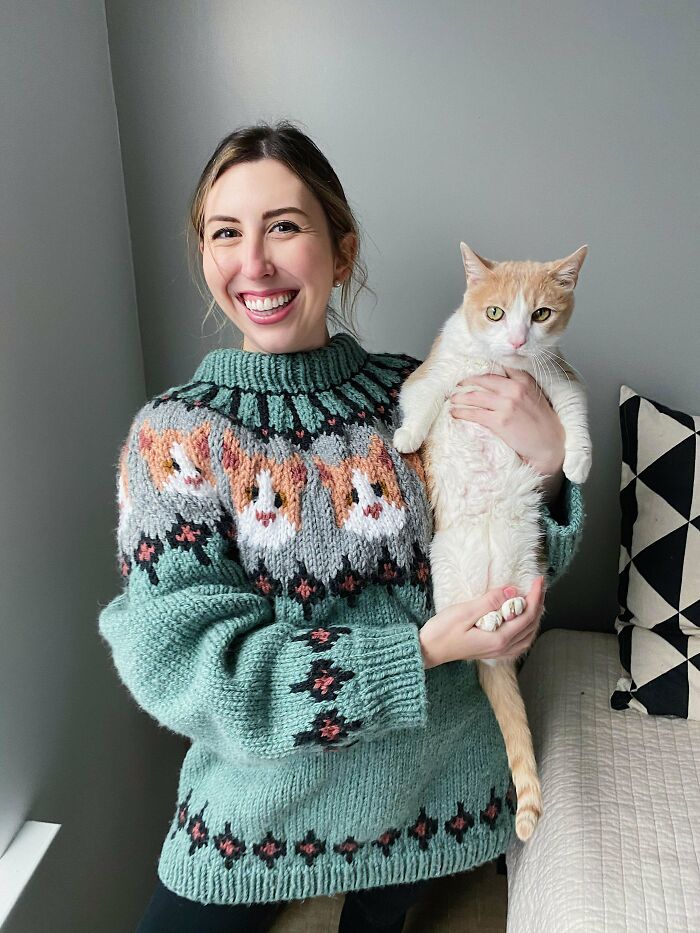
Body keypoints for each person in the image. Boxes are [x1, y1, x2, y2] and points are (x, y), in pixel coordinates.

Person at [98, 122, 584, 933]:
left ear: (342, 250)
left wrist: (550, 464)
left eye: (284, 226)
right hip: (255, 813)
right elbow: (185, 664)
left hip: (430, 795)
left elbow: (506, 553)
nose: (254, 262)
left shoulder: (422, 393)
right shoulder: (176, 437)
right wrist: (416, 651)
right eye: (226, 233)